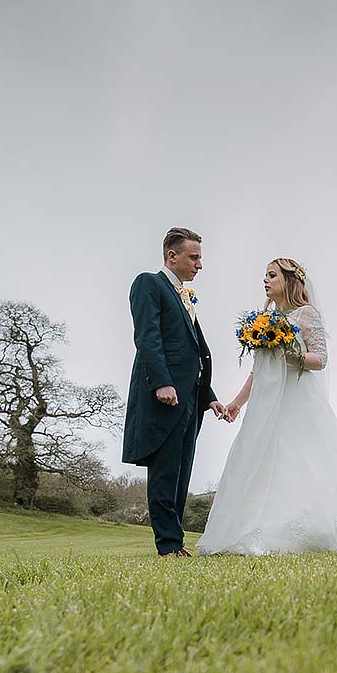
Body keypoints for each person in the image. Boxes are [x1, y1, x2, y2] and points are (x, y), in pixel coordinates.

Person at [198, 258, 337, 555]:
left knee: (302, 460)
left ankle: (312, 531)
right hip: (267, 406)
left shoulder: (306, 315)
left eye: (272, 275)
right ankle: (255, 531)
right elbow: (257, 371)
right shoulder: (264, 320)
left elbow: (321, 359)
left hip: (299, 403)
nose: (265, 280)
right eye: (264, 275)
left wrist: (290, 356)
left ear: (289, 280)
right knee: (261, 462)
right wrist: (236, 403)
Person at [121, 227, 228, 557]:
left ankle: (176, 542)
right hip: (165, 395)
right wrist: (163, 382)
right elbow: (148, 338)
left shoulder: (184, 296)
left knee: (181, 472)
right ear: (172, 255)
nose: (199, 265)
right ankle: (167, 546)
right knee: (165, 471)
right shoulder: (149, 284)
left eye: (200, 258)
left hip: (189, 400)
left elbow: (191, 353)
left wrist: (208, 396)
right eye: (194, 257)